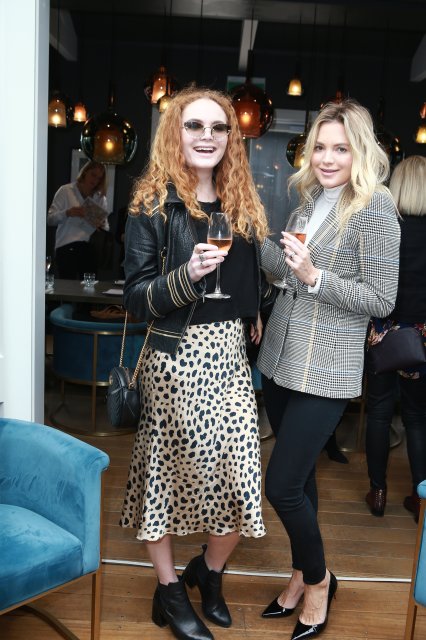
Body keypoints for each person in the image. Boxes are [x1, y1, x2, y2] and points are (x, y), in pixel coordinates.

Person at [119, 86, 275, 640]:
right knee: (164, 475)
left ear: (231, 137)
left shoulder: (242, 203)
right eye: (194, 126)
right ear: (175, 134)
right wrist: (187, 276)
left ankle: (207, 572)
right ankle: (168, 590)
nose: (207, 137)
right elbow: (135, 297)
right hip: (175, 359)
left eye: (218, 127)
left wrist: (256, 309)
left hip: (231, 357)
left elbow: (252, 276)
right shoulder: (151, 206)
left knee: (241, 477)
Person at [256, 99, 400, 640]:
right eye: (320, 147)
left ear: (361, 151)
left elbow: (381, 299)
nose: (327, 158)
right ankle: (300, 573)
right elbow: (284, 273)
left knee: (281, 486)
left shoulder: (376, 206)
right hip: (279, 360)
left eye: (341, 148)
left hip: (327, 367)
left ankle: (319, 581)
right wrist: (259, 237)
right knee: (303, 481)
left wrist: (315, 276)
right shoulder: (308, 201)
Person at [365, 155, 426, 523]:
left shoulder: (386, 227)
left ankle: (378, 492)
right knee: (417, 417)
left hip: (384, 333)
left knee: (379, 412)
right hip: (422, 338)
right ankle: (420, 498)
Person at [47, 160, 109, 279]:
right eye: (93, 175)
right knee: (68, 286)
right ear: (85, 172)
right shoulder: (66, 191)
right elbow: (50, 219)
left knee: (89, 285)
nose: (95, 180)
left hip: (89, 248)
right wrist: (68, 213)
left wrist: (101, 224)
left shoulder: (100, 198)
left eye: (99, 178)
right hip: (66, 246)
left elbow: (106, 226)